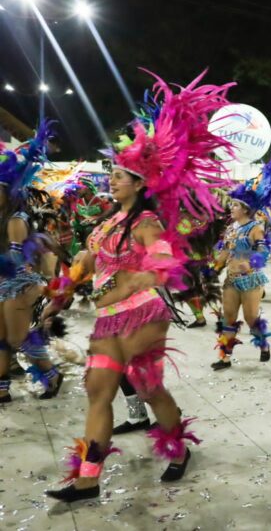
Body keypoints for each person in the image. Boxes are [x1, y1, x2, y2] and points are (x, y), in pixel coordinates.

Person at [44, 71, 233, 502]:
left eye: (119, 175)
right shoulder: (106, 222)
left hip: (143, 313)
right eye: (111, 173)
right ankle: (88, 479)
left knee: (148, 389)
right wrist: (63, 289)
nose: (111, 180)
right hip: (107, 320)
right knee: (98, 393)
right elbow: (85, 263)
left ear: (140, 183)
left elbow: (164, 265)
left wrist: (135, 278)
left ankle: (178, 446)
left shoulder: (146, 222)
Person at [0, 123, 66, 402]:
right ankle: (2, 390)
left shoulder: (15, 220)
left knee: (18, 339)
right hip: (4, 285)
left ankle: (51, 374)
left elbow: (14, 261)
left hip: (20, 285)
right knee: (2, 339)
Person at [210, 158, 271, 370]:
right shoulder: (231, 228)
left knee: (251, 317)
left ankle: (263, 344)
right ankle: (225, 357)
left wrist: (252, 265)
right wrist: (213, 269)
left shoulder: (255, 228)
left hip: (251, 280)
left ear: (245, 209)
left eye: (235, 205)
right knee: (228, 317)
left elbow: (264, 251)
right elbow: (225, 250)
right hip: (231, 279)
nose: (231, 207)